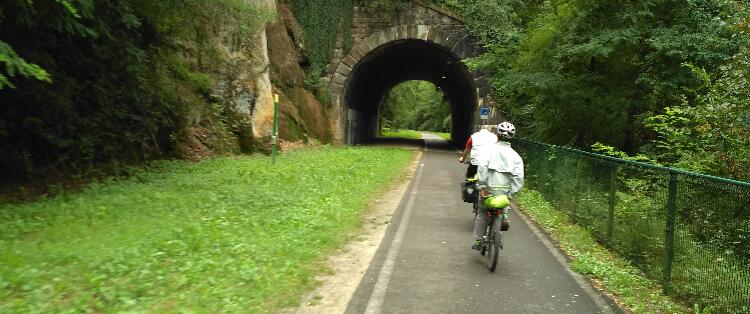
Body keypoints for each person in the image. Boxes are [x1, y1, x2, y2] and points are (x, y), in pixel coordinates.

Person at [471, 121, 524, 250]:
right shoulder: (516, 157)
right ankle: (504, 217)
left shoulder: (488, 151)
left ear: (497, 136)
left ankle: (478, 241)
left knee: (482, 213)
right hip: (504, 193)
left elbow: (482, 168)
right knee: (503, 206)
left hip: (489, 190)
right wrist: (511, 194)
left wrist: (481, 186)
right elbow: (519, 178)